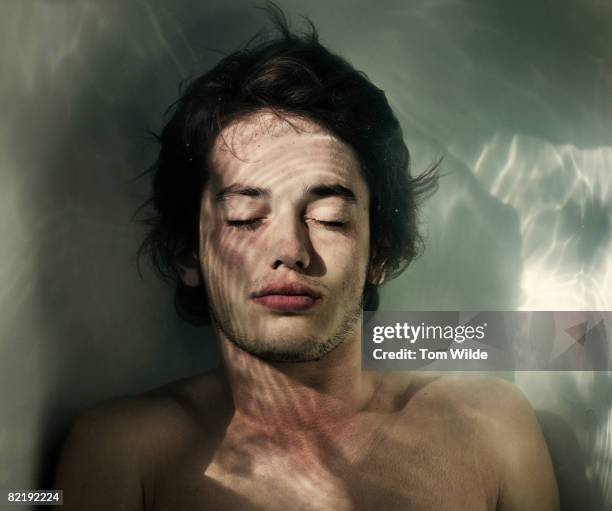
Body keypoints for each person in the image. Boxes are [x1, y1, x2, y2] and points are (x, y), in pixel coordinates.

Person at [54, 6, 560, 510]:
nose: (290, 251)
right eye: (245, 217)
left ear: (378, 251)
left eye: (330, 217)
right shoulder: (124, 451)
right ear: (188, 252)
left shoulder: (493, 430)